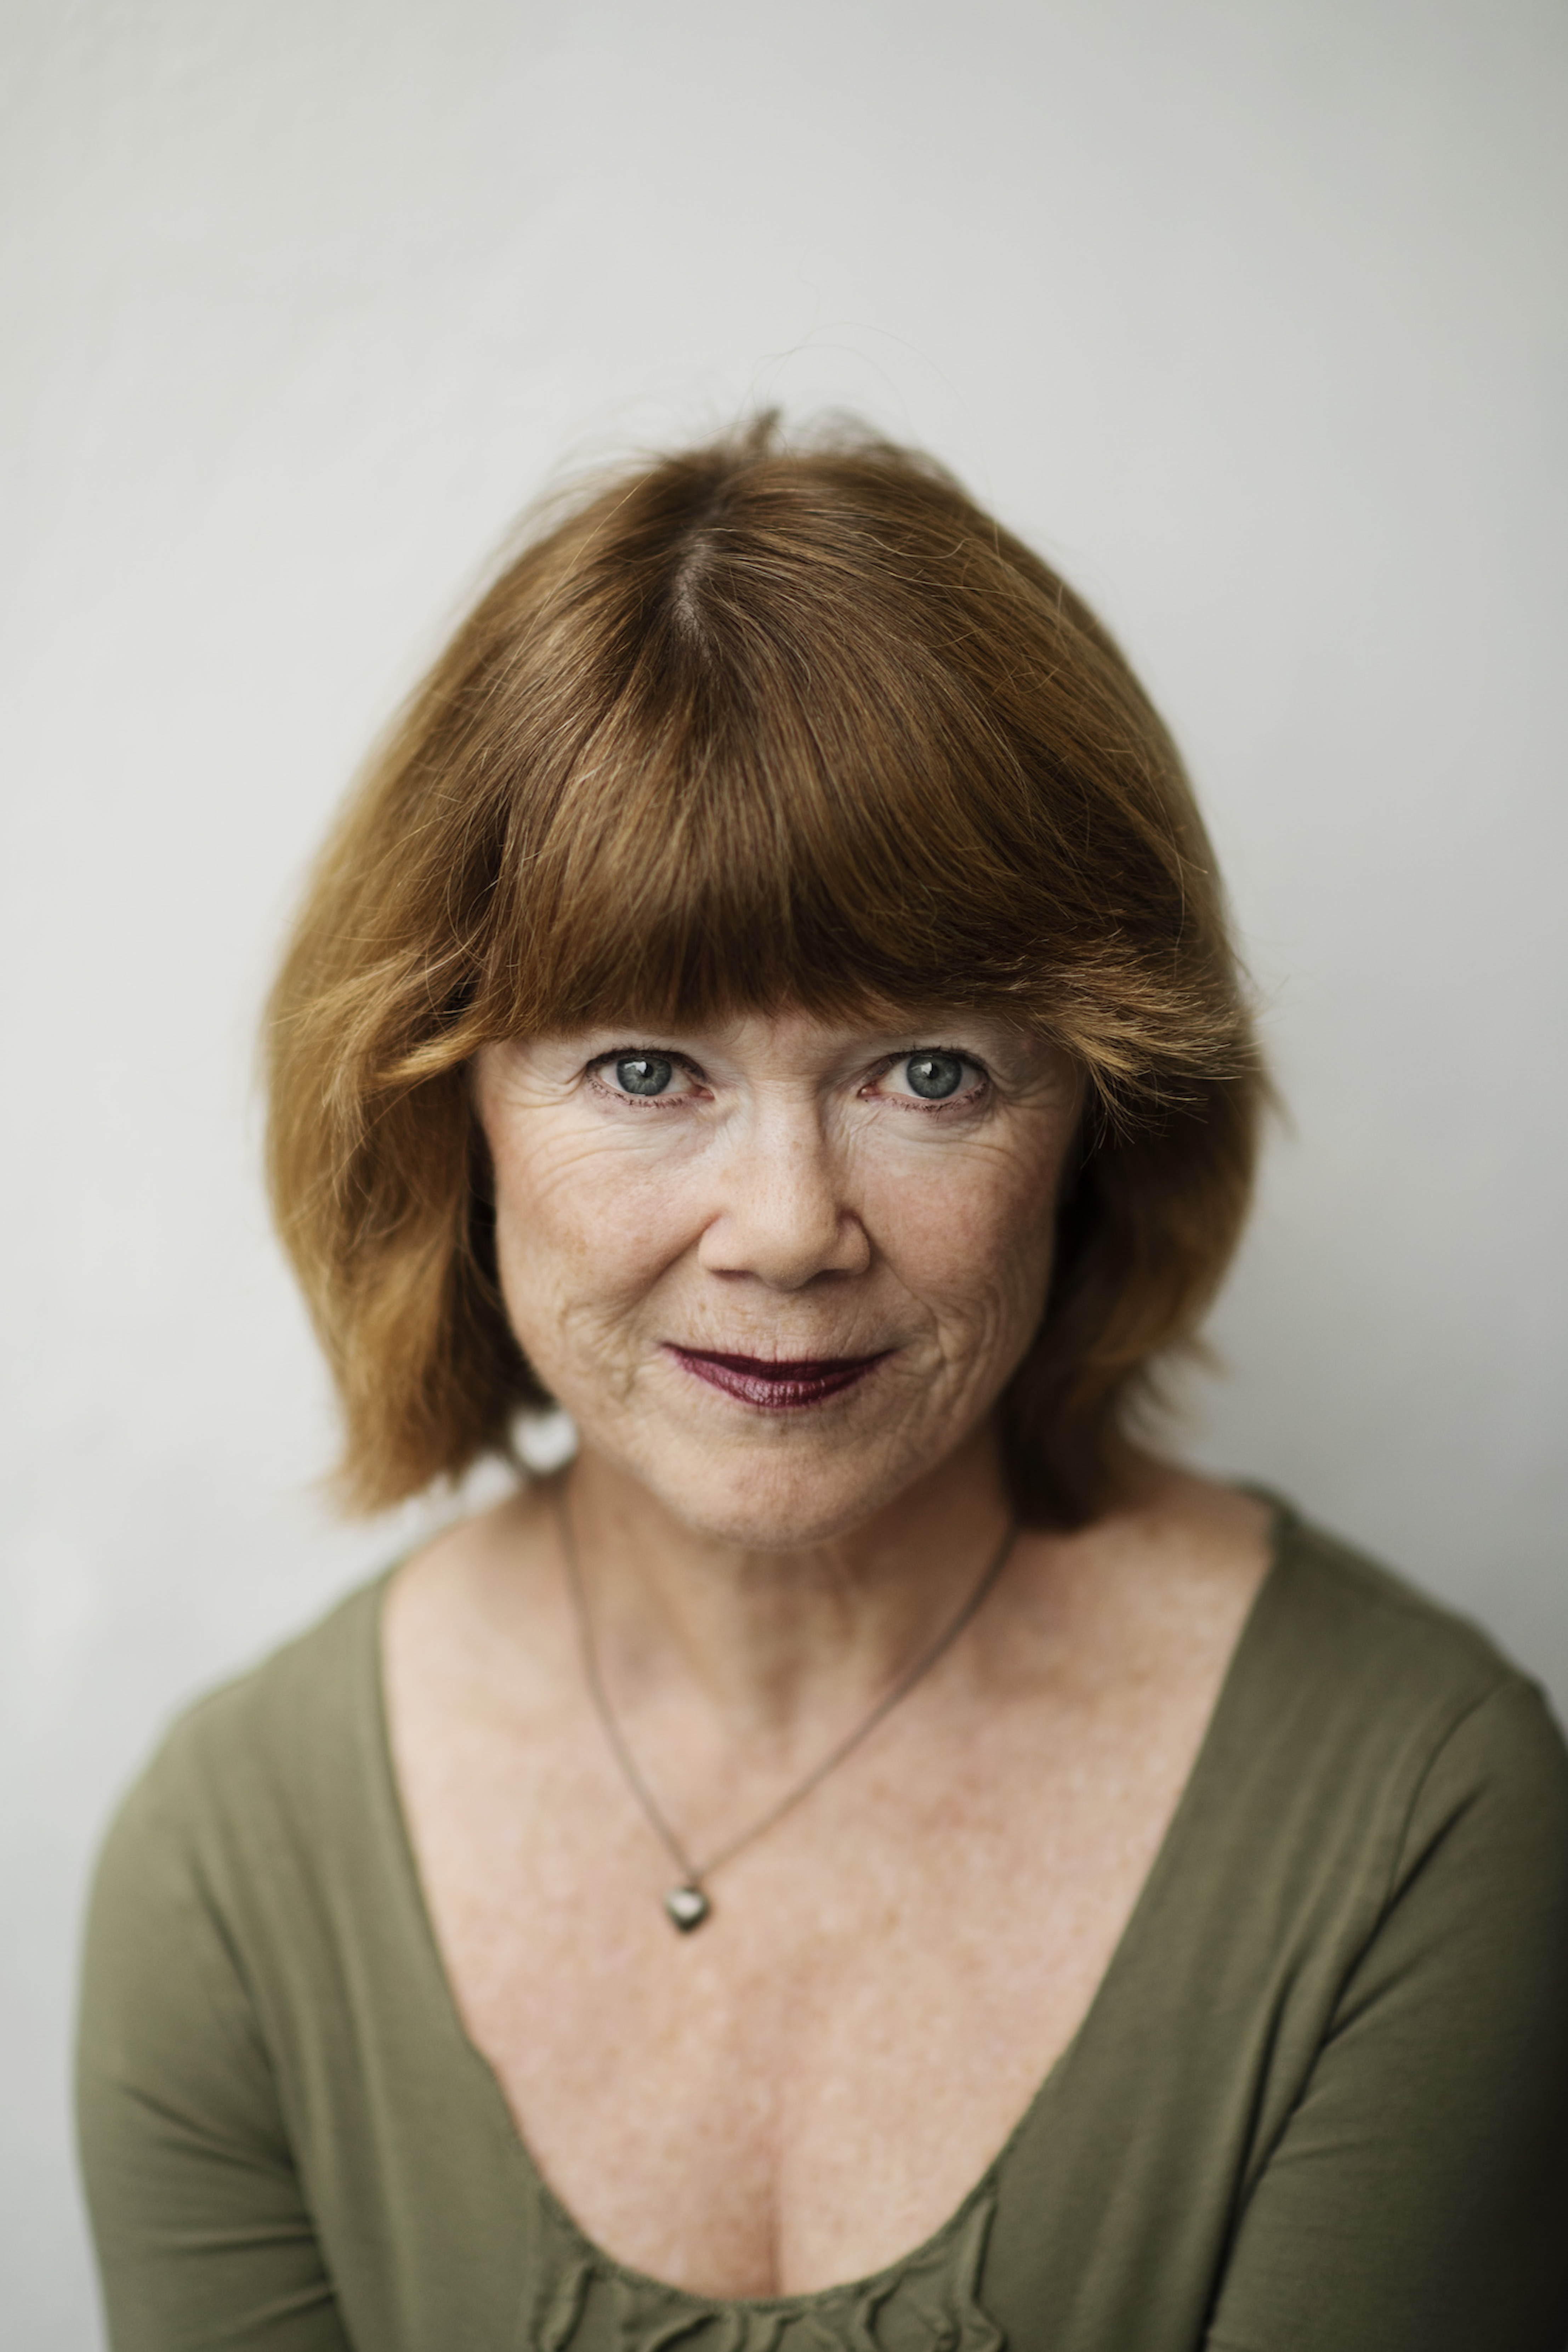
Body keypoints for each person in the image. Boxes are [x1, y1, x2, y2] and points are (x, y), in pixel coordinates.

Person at [77, 419, 1568, 2352]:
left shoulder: (1421, 1813)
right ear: (448, 1117)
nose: (787, 1228)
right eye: (645, 1069)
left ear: (1097, 1123)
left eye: (929, 1072)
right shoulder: (229, 1870)